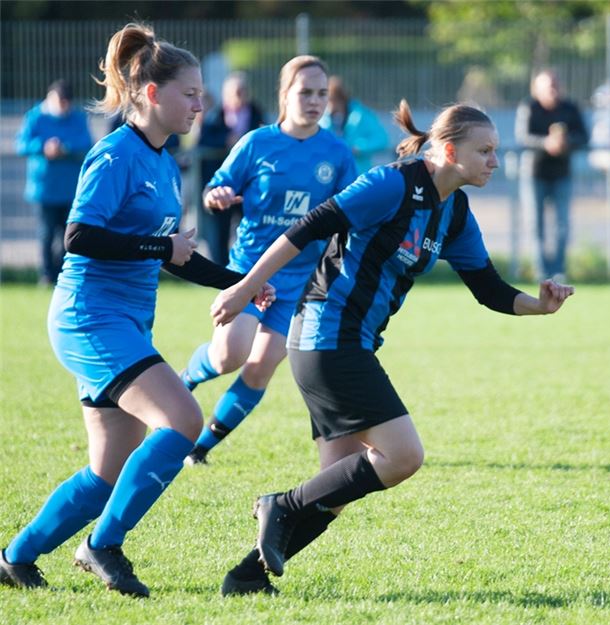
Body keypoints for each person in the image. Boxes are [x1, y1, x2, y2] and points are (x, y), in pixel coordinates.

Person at [210, 100, 575, 596]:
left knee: (335, 488)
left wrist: (540, 306)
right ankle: (281, 506)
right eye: (485, 150)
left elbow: (487, 287)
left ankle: (246, 577)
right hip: (326, 335)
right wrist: (243, 287)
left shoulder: (454, 211)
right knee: (402, 455)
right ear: (448, 150)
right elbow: (308, 228)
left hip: (350, 342)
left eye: (496, 151)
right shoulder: (393, 183)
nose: (495, 160)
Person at [0, 23, 272, 597]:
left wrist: (245, 283)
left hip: (121, 322)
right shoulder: (115, 153)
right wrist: (160, 247)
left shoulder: (165, 164)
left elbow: (178, 258)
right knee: (183, 421)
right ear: (152, 93)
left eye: (202, 94)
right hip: (88, 317)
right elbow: (78, 236)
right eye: (190, 93)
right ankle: (102, 547)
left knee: (105, 474)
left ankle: (15, 558)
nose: (201, 103)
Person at [179, 56, 358, 465]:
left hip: (300, 280)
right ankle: (185, 379)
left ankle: (201, 447)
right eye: (305, 92)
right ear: (284, 95)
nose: (315, 101)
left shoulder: (337, 153)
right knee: (230, 355)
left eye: (321, 94)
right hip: (248, 270)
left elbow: (353, 210)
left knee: (260, 368)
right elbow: (215, 187)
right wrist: (217, 196)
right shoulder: (257, 143)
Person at [15, 79, 93, 285]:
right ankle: (47, 275)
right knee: (46, 234)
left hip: (70, 189)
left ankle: (64, 273)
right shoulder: (35, 117)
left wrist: (64, 148)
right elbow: (22, 144)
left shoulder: (78, 118)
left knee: (68, 236)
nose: (62, 106)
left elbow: (86, 143)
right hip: (44, 188)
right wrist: (43, 147)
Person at [515, 69, 588, 281]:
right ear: (536, 89)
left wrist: (567, 143)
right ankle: (542, 273)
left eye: (555, 85)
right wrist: (546, 144)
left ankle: (559, 272)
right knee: (535, 225)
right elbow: (523, 137)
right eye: (548, 87)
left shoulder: (570, 108)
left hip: (561, 174)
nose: (553, 90)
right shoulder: (529, 107)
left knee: (562, 226)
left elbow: (584, 136)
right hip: (534, 174)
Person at [198, 72, 265, 265]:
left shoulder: (257, 113)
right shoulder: (215, 116)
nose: (240, 95)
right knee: (219, 231)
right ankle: (221, 271)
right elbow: (203, 141)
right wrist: (225, 142)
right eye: (236, 91)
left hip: (251, 184)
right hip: (224, 184)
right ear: (226, 94)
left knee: (252, 228)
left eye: (243, 91)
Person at [318, 75, 389, 173]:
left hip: (358, 173)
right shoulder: (323, 119)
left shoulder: (362, 116)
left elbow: (382, 139)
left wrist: (359, 148)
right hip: (332, 175)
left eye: (331, 100)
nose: (328, 106)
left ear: (341, 99)